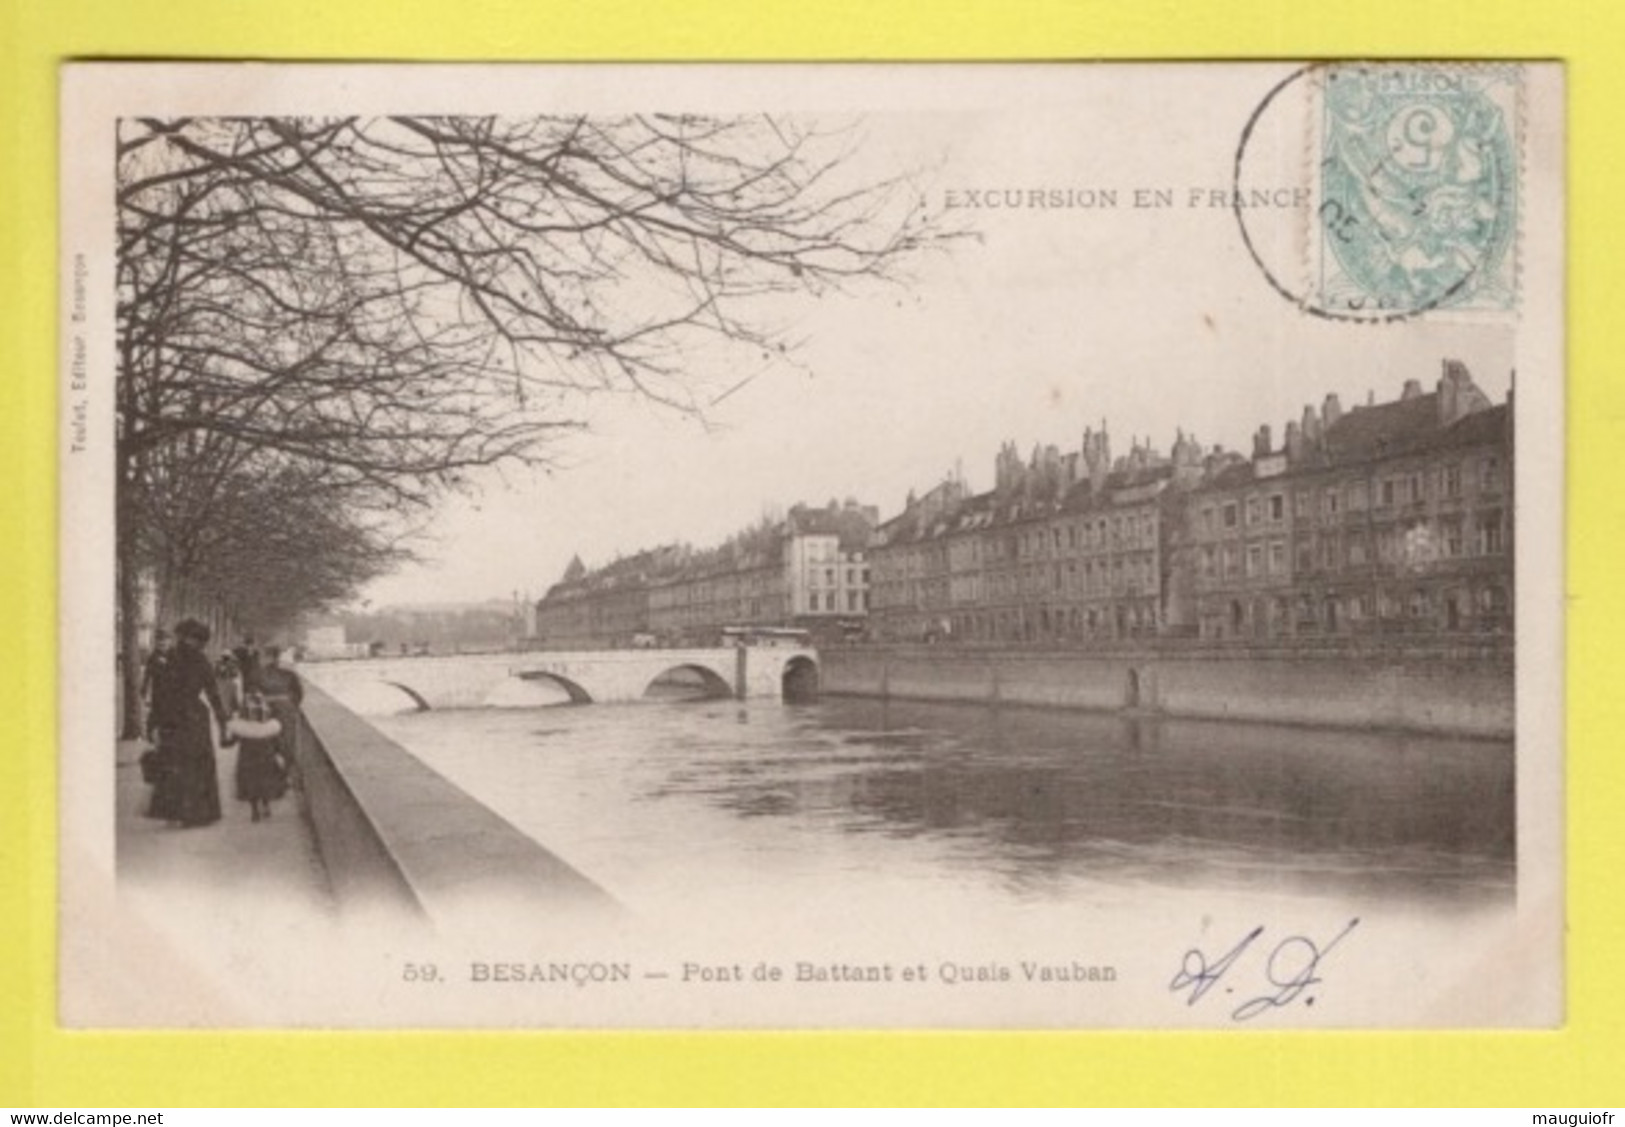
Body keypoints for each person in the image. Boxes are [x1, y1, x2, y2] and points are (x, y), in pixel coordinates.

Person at [146, 618, 228, 828]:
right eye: (198, 640)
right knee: (196, 765)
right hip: (193, 717)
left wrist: (152, 722)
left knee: (173, 763)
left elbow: (159, 694)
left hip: (171, 717)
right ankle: (197, 813)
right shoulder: (200, 660)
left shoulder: (169, 658)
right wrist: (222, 722)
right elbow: (213, 693)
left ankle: (174, 812)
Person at [226, 691, 286, 822]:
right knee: (265, 782)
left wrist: (225, 738)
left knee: (250, 784)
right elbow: (277, 743)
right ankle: (266, 805)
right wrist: (280, 754)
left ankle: (254, 810)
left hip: (248, 759)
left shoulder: (242, 728)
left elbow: (230, 741)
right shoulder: (269, 728)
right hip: (266, 757)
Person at [258, 645, 304, 777]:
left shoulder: (259, 673)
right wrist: (291, 705)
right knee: (287, 740)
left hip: (267, 709)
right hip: (285, 709)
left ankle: (273, 771)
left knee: (270, 741)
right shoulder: (289, 673)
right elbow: (299, 693)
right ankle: (285, 771)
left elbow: (253, 692)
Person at [138, 629, 173, 741]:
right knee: (155, 713)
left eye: (165, 642)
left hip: (172, 691)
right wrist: (144, 690)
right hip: (158, 691)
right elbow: (148, 674)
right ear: (156, 643)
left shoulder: (174, 655)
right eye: (160, 642)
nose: (162, 644)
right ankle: (150, 734)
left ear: (170, 642)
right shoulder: (153, 657)